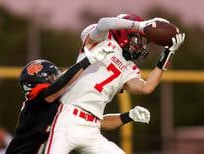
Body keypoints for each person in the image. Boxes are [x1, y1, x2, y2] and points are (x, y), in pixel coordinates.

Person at [45, 14, 185, 154]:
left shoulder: (129, 68)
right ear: (125, 33)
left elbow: (146, 87)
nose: (142, 45)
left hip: (92, 128)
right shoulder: (102, 40)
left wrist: (168, 53)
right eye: (140, 39)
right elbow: (103, 23)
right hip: (67, 119)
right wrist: (139, 26)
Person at [6, 54, 150, 153]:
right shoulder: (36, 103)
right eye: (52, 75)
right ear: (40, 81)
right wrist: (86, 61)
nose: (57, 77)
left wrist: (129, 116)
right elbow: (59, 86)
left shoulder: (59, 105)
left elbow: (96, 123)